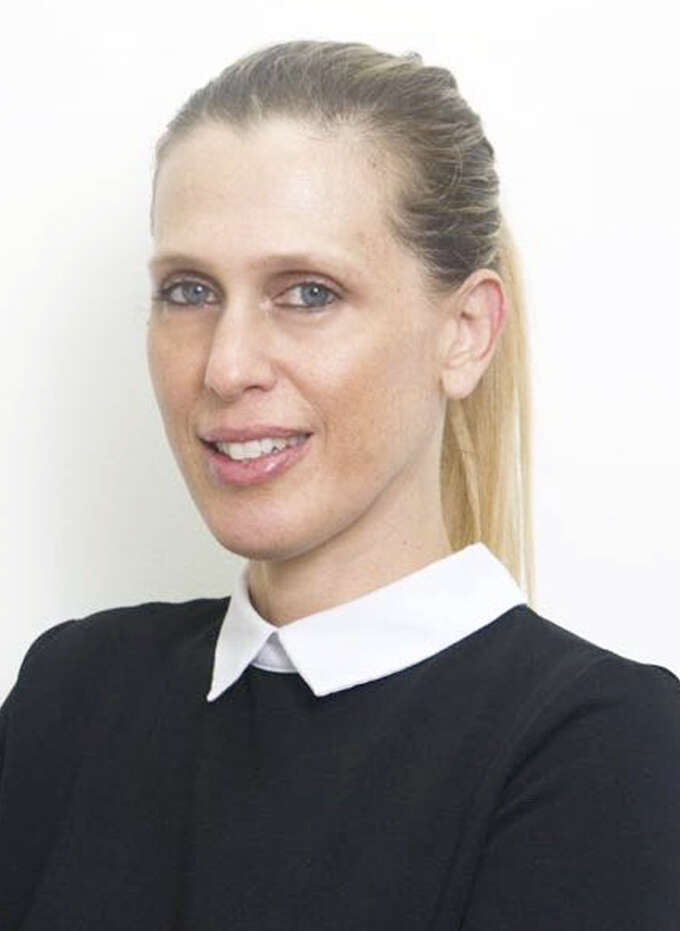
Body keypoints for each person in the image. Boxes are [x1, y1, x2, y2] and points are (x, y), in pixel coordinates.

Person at [0, 38, 678, 931]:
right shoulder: (75, 689)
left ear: (465, 332)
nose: (226, 367)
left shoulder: (606, 747)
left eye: (308, 293)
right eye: (190, 291)